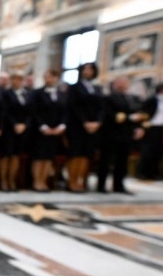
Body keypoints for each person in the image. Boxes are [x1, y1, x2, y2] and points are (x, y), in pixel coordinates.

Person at [97, 76, 143, 193]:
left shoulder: (130, 98)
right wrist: (129, 118)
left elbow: (135, 113)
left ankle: (118, 185)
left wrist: (138, 127)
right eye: (121, 82)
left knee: (122, 161)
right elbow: (110, 115)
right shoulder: (109, 98)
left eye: (126, 82)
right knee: (106, 160)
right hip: (110, 134)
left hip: (126, 134)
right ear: (115, 84)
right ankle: (101, 185)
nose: (123, 85)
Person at [65, 62, 103, 192]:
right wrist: (84, 122)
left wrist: (98, 122)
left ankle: (81, 181)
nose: (88, 72)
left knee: (87, 154)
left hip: (94, 127)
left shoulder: (97, 88)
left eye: (90, 69)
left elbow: (101, 107)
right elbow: (73, 106)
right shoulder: (75, 88)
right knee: (76, 154)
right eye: (85, 69)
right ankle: (72, 181)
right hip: (77, 125)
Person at [28, 69, 67, 191]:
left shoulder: (61, 94)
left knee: (49, 157)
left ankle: (44, 181)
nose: (49, 79)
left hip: (56, 131)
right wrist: (43, 126)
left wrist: (61, 126)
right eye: (47, 77)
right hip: (40, 131)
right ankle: (36, 181)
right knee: (39, 157)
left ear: (56, 78)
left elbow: (65, 111)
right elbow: (34, 111)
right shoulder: (37, 93)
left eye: (52, 77)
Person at [0, 72, 30, 191]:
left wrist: (25, 124)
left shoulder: (26, 94)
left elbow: (29, 111)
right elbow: (4, 111)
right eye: (15, 79)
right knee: (6, 155)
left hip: (22, 129)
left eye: (20, 79)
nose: (17, 82)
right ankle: (3, 180)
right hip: (8, 129)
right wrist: (15, 124)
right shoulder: (6, 94)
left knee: (16, 155)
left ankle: (12, 180)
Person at [137, 82, 163, 180]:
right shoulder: (152, 99)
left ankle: (153, 173)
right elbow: (143, 111)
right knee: (147, 151)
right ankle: (142, 172)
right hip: (151, 127)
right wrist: (143, 124)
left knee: (158, 151)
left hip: (161, 128)